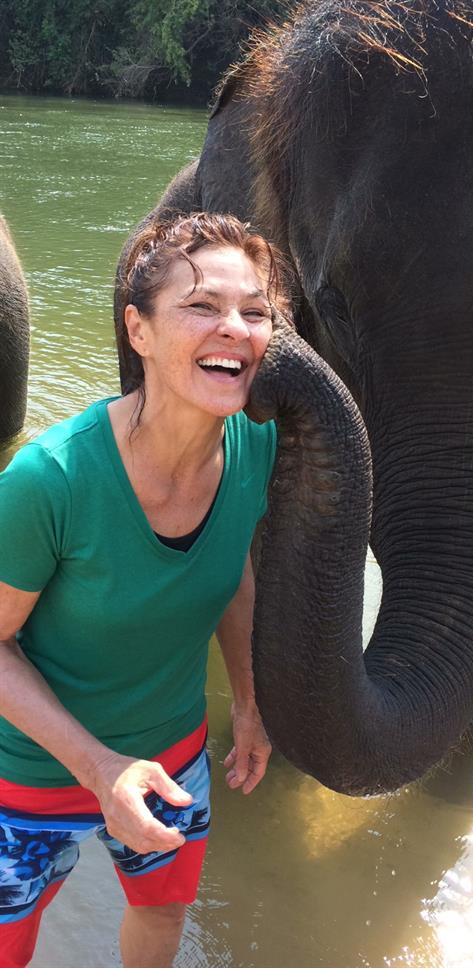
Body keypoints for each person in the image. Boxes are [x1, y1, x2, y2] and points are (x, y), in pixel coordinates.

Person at [0, 212, 289, 968]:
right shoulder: (49, 480)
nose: (234, 328)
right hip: (29, 776)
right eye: (200, 307)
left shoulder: (255, 445)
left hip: (170, 760)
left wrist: (250, 703)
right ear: (139, 331)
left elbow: (229, 575)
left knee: (162, 924)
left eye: (254, 312)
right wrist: (99, 768)